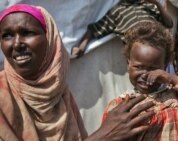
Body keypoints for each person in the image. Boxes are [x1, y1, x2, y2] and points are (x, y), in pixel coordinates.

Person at [0, 4, 156, 141]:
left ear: (50, 39)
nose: (17, 43)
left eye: (27, 33)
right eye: (7, 35)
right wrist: (103, 136)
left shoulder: (57, 91)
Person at [101, 22, 178, 141]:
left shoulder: (177, 95)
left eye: (153, 68)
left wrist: (171, 78)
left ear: (165, 66)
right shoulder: (121, 106)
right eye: (138, 67)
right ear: (128, 63)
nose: (145, 74)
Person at [71, 0, 173, 58]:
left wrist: (158, 4)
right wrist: (81, 48)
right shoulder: (117, 11)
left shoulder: (148, 6)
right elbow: (94, 30)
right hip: (139, 52)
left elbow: (169, 24)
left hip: (158, 47)